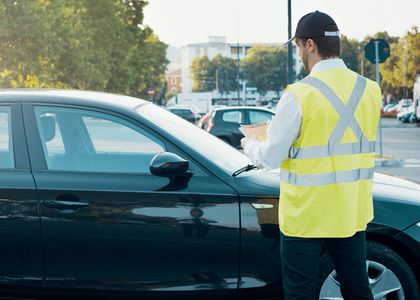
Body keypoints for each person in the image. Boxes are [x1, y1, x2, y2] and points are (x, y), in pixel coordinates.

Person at [241, 11, 381, 300]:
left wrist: (250, 145)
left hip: (307, 216)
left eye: (298, 47)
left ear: (309, 45)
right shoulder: (371, 89)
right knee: (358, 290)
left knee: (300, 294)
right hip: (350, 211)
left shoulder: (299, 94)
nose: (299, 54)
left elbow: (270, 157)